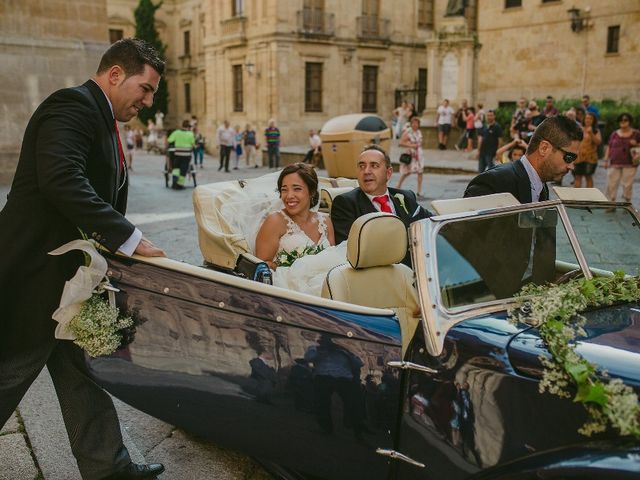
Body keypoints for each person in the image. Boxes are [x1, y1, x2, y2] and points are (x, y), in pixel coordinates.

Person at [0, 38, 166, 480]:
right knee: (9, 374)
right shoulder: (71, 106)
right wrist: (128, 237)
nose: (148, 102)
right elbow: (61, 179)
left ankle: (109, 468)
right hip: (35, 278)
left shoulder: (102, 117)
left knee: (84, 375)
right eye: (146, 88)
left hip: (71, 283)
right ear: (115, 74)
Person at [331, 144, 432, 266]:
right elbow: (351, 253)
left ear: (388, 173)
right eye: (361, 166)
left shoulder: (405, 196)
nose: (366, 171)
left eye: (374, 166)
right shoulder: (345, 204)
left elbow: (432, 224)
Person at [255, 163, 341, 296]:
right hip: (290, 290)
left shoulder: (325, 221)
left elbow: (333, 258)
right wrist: (296, 268)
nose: (289, 196)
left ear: (311, 192)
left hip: (328, 287)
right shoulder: (275, 221)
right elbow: (261, 267)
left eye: (297, 189)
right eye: (284, 189)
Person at [464, 115, 583, 203]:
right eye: (569, 157)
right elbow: (465, 233)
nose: (571, 166)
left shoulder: (541, 185)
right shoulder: (494, 183)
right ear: (544, 148)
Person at [604, 112, 640, 203]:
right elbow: (609, 146)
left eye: (625, 120)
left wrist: (636, 144)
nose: (623, 122)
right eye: (621, 120)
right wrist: (606, 160)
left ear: (630, 121)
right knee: (611, 184)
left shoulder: (636, 133)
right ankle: (610, 203)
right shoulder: (614, 134)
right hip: (614, 162)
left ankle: (626, 203)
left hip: (630, 163)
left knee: (627, 185)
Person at [396, 117, 426, 199]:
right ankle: (398, 186)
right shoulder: (408, 132)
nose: (415, 125)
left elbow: (420, 142)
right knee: (407, 172)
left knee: (420, 171)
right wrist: (411, 145)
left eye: (417, 123)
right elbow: (401, 143)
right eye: (414, 123)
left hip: (418, 154)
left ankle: (419, 191)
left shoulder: (419, 132)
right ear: (411, 123)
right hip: (411, 154)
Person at [574, 111, 602, 188]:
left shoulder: (596, 130)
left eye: (590, 118)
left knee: (588, 176)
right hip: (578, 157)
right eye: (586, 118)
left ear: (593, 121)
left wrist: (591, 134)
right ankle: (576, 196)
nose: (588, 120)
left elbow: (598, 142)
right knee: (577, 176)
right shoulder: (579, 129)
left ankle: (589, 196)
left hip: (590, 158)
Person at [167, 120, 195, 189]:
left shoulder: (176, 132)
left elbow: (169, 140)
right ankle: (180, 185)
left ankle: (174, 182)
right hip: (186, 155)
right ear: (188, 127)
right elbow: (193, 145)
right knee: (183, 169)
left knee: (176, 168)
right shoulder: (190, 134)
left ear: (182, 125)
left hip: (178, 154)